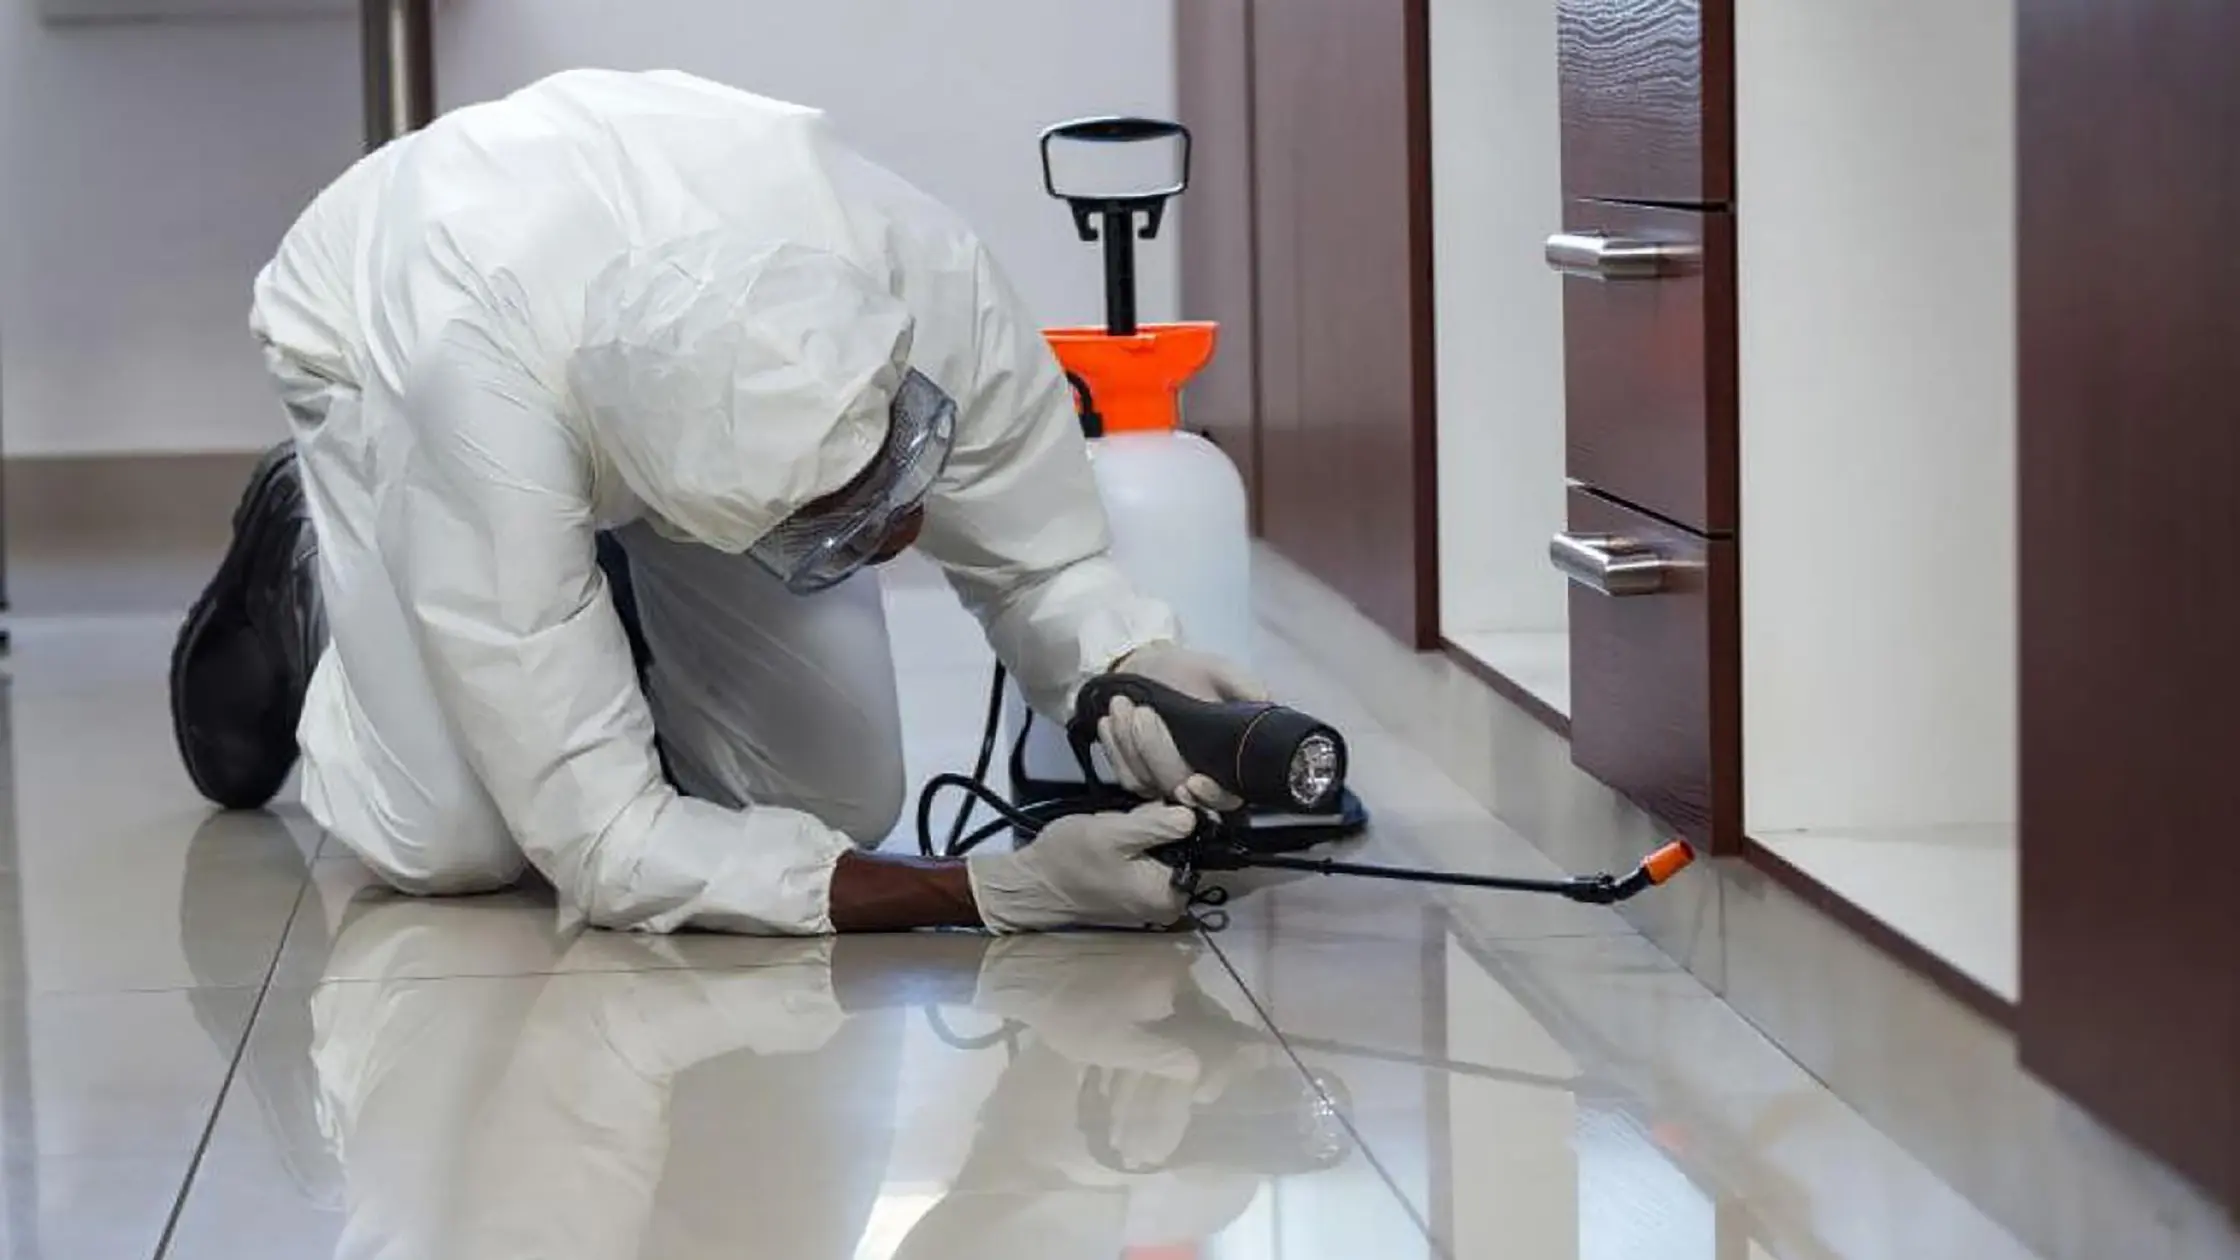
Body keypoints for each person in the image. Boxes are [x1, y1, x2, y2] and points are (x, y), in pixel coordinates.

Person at [168, 68, 1270, 937]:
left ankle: (576, 635)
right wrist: (986, 891)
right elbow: (602, 849)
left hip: (614, 321)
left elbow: (1044, 563)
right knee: (450, 845)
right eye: (844, 526)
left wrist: (1127, 669)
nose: (909, 535)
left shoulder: (914, 268)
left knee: (831, 804)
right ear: (708, 519)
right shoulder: (474, 400)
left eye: (900, 462)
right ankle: (309, 563)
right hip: (377, 332)